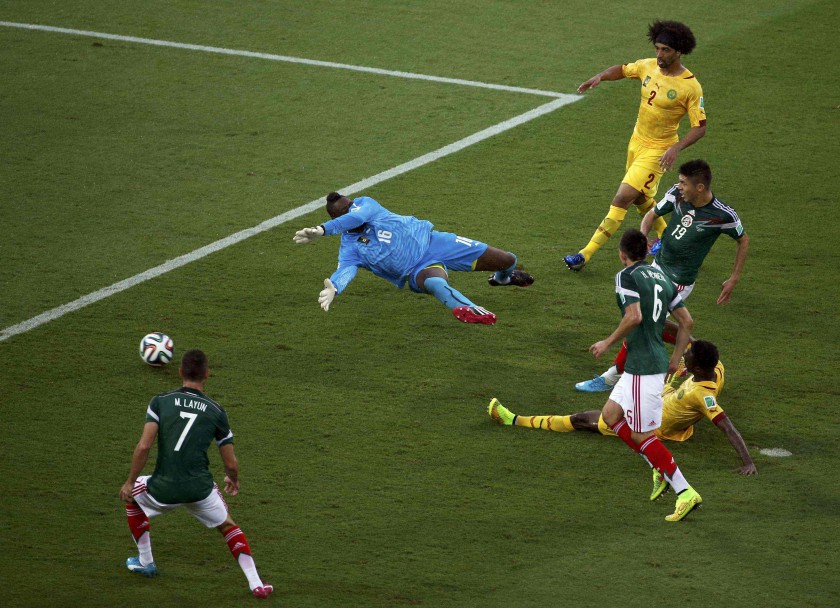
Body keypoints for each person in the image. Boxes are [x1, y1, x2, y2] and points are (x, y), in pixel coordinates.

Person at [576, 159, 749, 392]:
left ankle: (611, 376)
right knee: (647, 320)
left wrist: (734, 278)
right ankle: (695, 351)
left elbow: (743, 240)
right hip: (657, 267)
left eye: (684, 183)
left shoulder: (722, 215)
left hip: (679, 280)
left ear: (699, 187)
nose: (679, 186)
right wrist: (642, 237)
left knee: (642, 321)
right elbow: (651, 214)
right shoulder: (677, 194)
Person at [119, 349, 273, 599]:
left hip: (162, 488)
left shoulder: (160, 401)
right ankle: (256, 584)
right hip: (200, 490)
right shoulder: (216, 411)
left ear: (180, 372)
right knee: (228, 526)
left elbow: (144, 446)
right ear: (207, 374)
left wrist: (129, 482)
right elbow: (231, 463)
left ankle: (146, 561)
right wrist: (233, 479)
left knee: (132, 496)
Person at [489, 339, 758, 481]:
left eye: (686, 358)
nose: (681, 358)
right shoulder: (715, 367)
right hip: (660, 398)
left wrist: (748, 462)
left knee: (583, 419)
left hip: (649, 424)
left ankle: (513, 420)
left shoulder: (703, 396)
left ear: (698, 368)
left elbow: (728, 427)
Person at [571, 229, 700, 520]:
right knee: (610, 415)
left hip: (644, 366)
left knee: (641, 434)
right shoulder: (662, 278)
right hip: (645, 364)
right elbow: (687, 321)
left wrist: (607, 342)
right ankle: (658, 467)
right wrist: (676, 358)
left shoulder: (626, 276)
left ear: (622, 254)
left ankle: (685, 491)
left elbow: (634, 316)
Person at [564, 20, 706, 272]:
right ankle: (669, 239)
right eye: (657, 48)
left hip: (658, 151)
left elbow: (700, 127)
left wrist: (675, 148)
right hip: (636, 143)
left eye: (665, 50)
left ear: (679, 51)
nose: (660, 55)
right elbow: (622, 69)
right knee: (641, 198)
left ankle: (584, 254)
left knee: (622, 198)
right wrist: (601, 76)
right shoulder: (648, 66)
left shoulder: (690, 86)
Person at [293, 192, 534, 325]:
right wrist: (335, 287)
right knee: (435, 283)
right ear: (339, 218)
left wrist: (323, 230)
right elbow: (346, 269)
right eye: (347, 209)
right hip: (418, 269)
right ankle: (467, 309)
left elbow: (356, 217)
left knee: (507, 259)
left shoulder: (366, 205)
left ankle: (502, 279)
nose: (353, 207)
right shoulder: (350, 248)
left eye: (351, 204)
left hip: (436, 242)